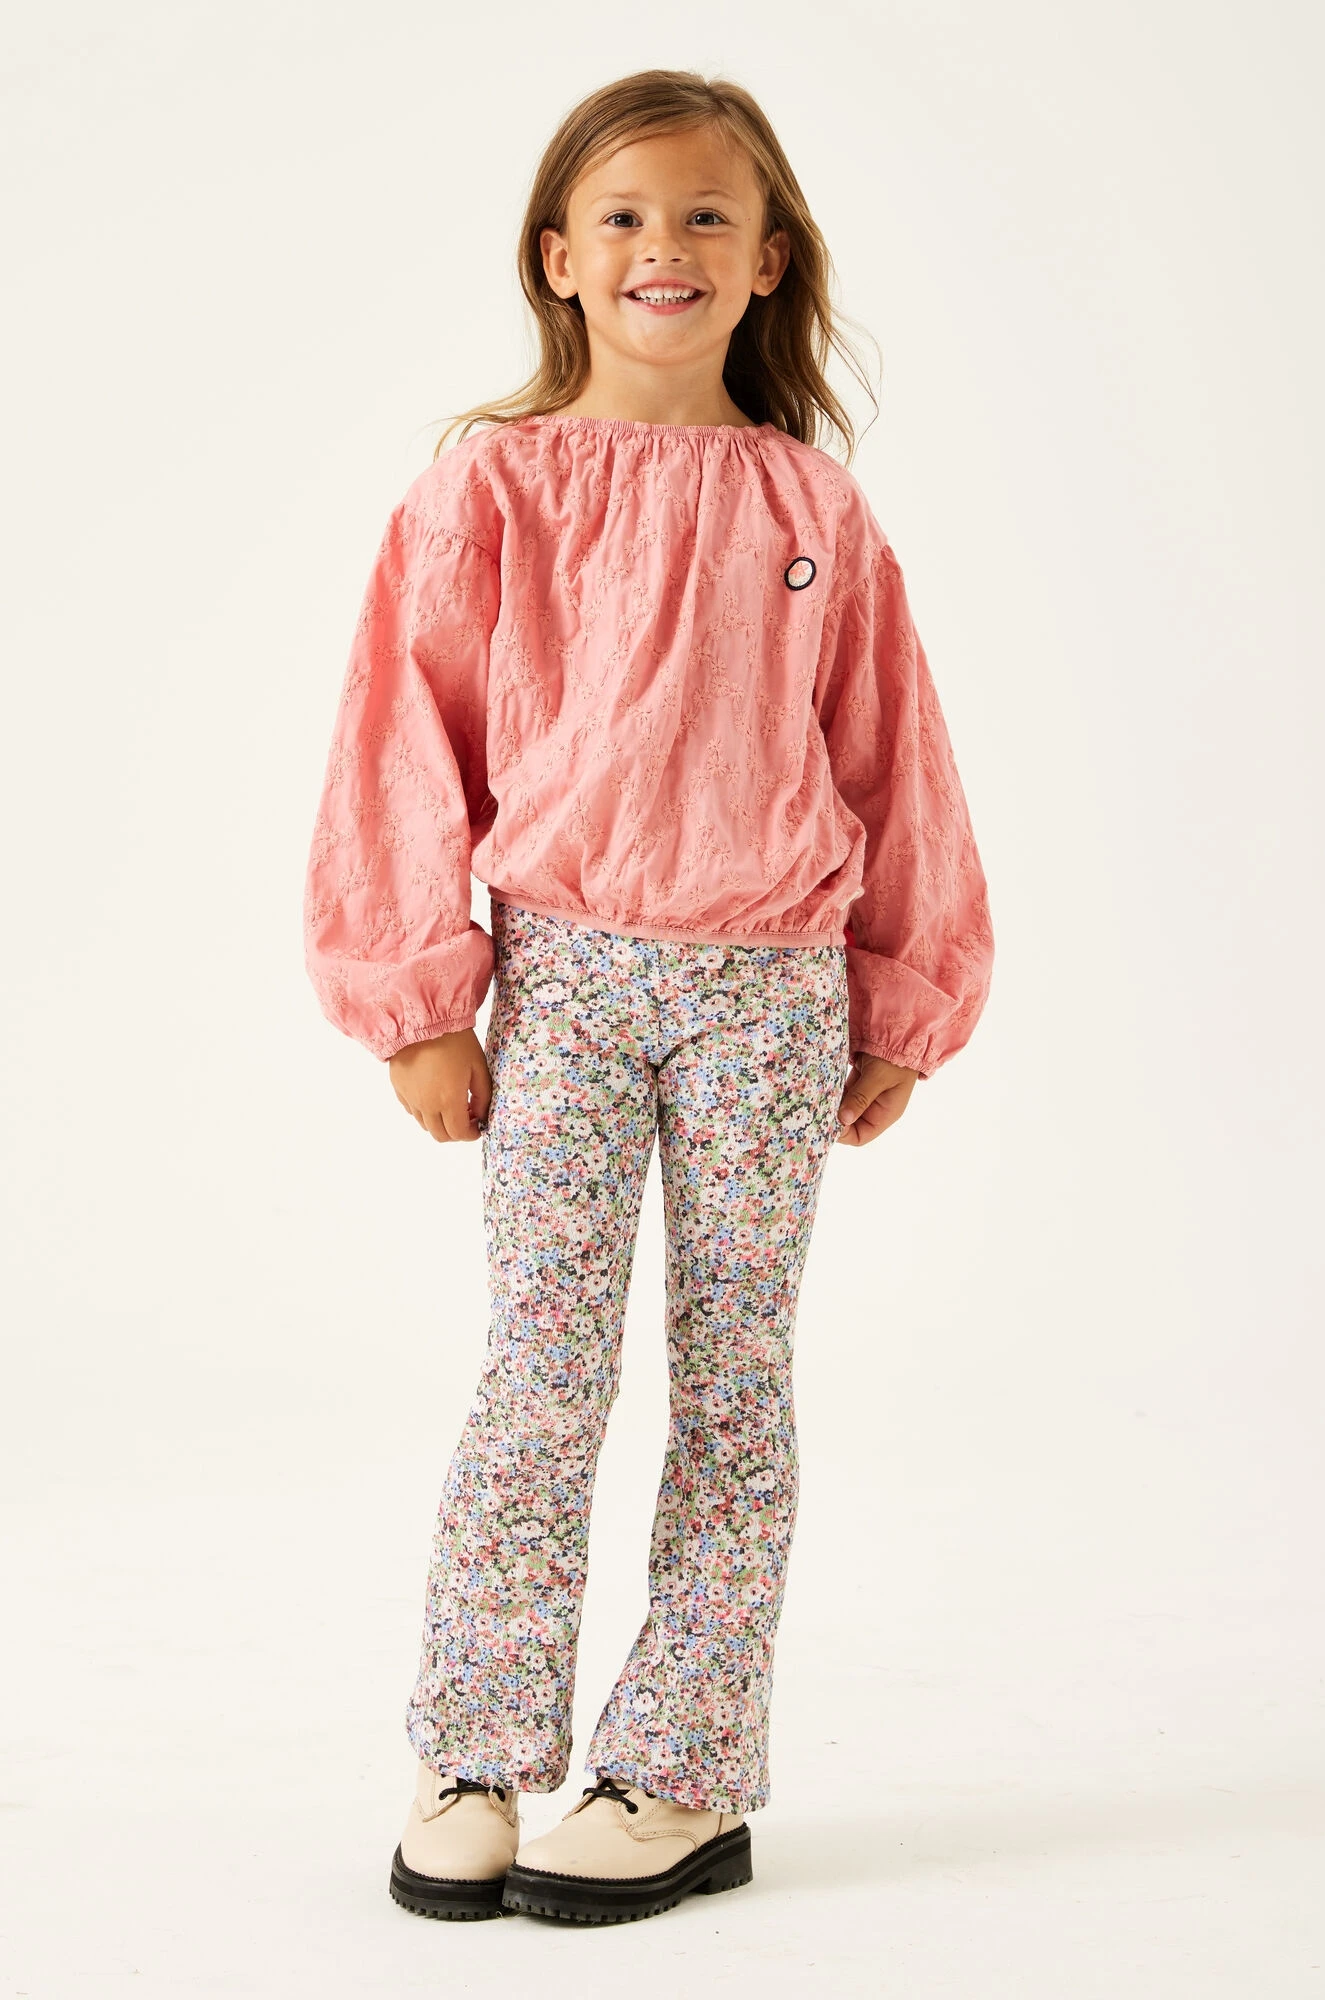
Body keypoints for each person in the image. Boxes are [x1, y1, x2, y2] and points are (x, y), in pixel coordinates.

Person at [302, 67, 995, 1928]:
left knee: (735, 1379)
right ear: (557, 258)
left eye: (704, 215)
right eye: (621, 216)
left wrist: (903, 995)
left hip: (771, 994)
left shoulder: (812, 505)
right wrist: (420, 996)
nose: (661, 247)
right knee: (542, 1366)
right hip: (568, 981)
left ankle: (680, 1772)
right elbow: (400, 739)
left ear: (769, 261)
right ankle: (475, 1749)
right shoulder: (488, 488)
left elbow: (893, 755)